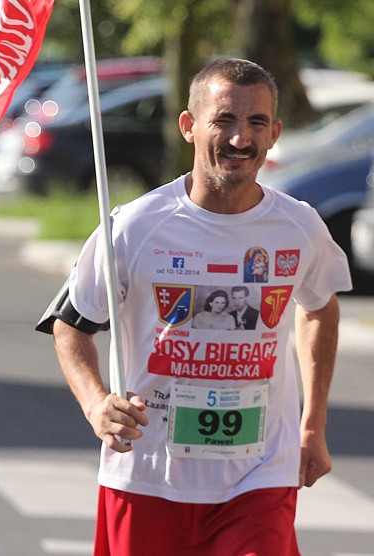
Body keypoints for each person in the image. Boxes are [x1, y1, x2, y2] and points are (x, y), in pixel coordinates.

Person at [36, 58, 351, 556]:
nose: (240, 138)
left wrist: (312, 426)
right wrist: (97, 404)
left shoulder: (299, 227)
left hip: (259, 474)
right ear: (189, 125)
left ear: (275, 134)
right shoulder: (134, 226)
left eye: (256, 123)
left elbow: (319, 306)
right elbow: (70, 323)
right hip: (148, 474)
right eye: (223, 119)